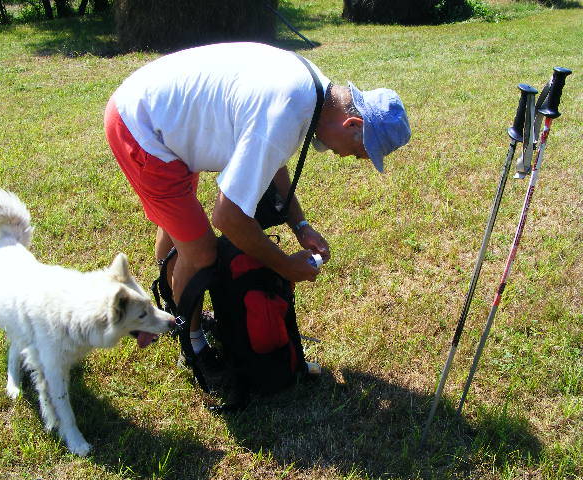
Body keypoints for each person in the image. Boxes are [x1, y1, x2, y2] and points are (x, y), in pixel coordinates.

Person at [104, 42, 410, 366]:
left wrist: (300, 225)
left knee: (182, 226)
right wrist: (285, 265)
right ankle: (192, 347)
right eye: (360, 152)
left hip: (164, 114)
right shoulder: (289, 111)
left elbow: (272, 157)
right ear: (353, 125)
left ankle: (178, 302)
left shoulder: (314, 93)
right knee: (201, 251)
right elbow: (229, 217)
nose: (350, 158)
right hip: (141, 128)